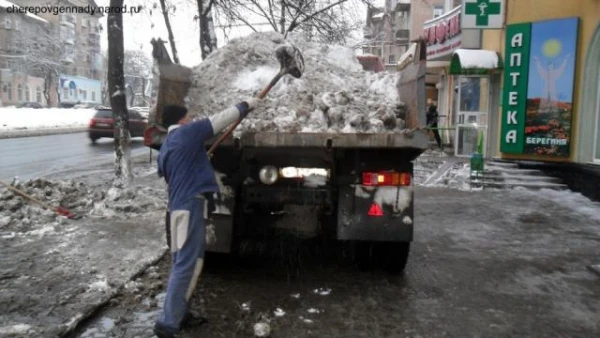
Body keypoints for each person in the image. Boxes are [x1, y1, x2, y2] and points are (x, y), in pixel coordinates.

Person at [154, 98, 261, 338]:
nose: (191, 120)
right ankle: (167, 324)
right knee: (187, 264)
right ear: (181, 120)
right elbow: (219, 120)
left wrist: (199, 159)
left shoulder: (167, 145)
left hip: (176, 209)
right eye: (189, 117)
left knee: (182, 262)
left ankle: (181, 314)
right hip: (190, 205)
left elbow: (168, 171)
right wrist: (245, 105)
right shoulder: (187, 133)